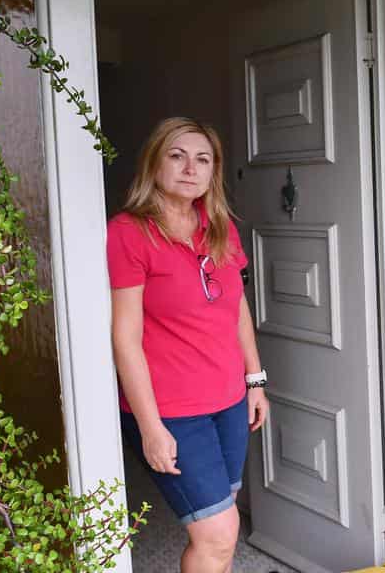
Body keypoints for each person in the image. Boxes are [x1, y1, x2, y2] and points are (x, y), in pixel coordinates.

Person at [107, 117, 269, 573]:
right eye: (177, 156)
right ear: (154, 162)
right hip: (173, 409)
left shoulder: (219, 227)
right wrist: (149, 425)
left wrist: (254, 380)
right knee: (217, 535)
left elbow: (236, 307)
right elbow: (125, 338)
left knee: (223, 523)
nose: (189, 168)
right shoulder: (128, 232)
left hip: (229, 400)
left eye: (202, 159)